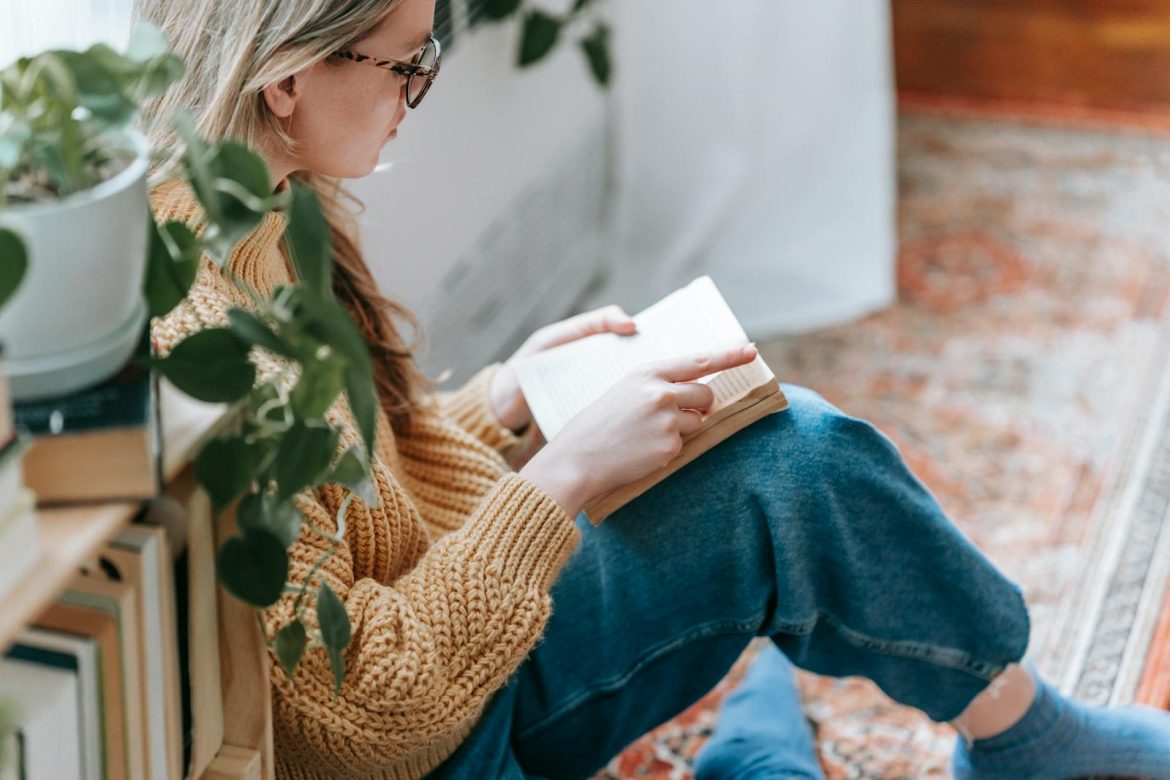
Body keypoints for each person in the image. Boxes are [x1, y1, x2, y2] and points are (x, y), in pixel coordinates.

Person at [134, 0, 1170, 777]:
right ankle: (891, 741)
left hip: (452, 662)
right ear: (286, 80)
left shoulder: (248, 207)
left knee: (758, 448)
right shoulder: (218, 341)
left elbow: (366, 501)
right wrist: (563, 478)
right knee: (790, 472)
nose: (418, 91)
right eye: (408, 64)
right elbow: (362, 720)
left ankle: (911, 721)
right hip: (440, 739)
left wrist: (510, 399)